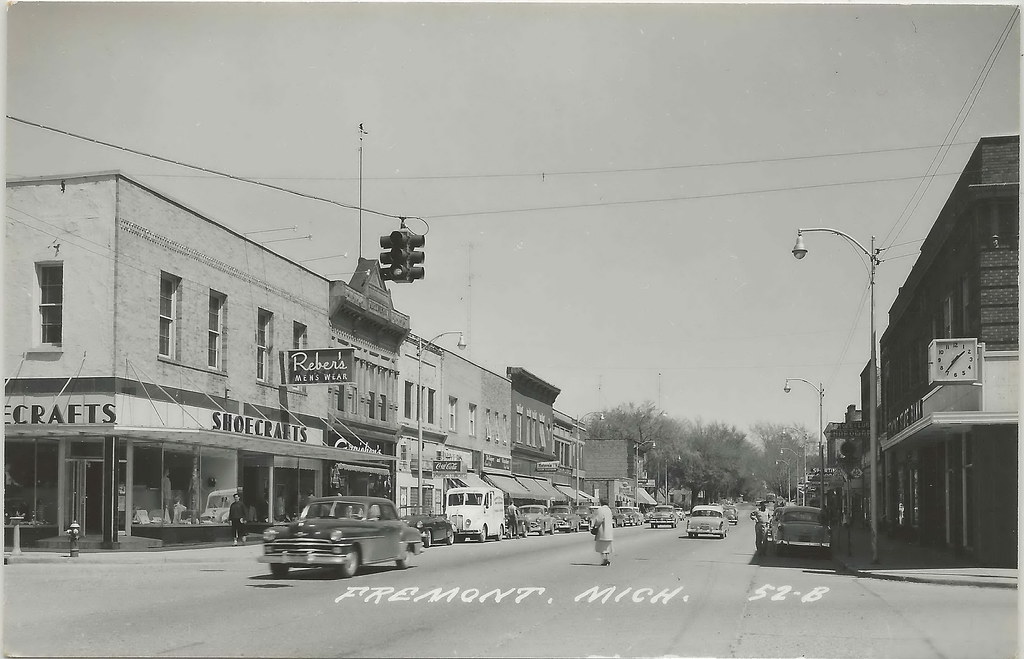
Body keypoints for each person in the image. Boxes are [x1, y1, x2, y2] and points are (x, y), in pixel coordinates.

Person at [591, 498, 614, 566]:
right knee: (607, 547)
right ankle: (606, 559)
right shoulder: (609, 509)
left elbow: (599, 519)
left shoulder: (601, 509)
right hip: (609, 531)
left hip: (603, 530)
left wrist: (595, 526)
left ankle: (604, 560)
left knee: (602, 547)